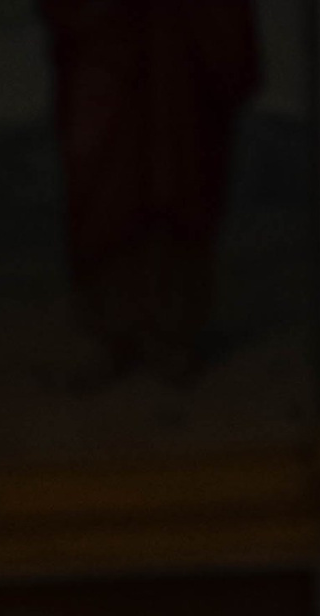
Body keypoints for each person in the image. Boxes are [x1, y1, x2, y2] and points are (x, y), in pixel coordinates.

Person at [35, 0, 263, 382]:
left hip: (180, 62)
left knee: (180, 184)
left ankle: (172, 334)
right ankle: (109, 333)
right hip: (107, 56)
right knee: (102, 192)